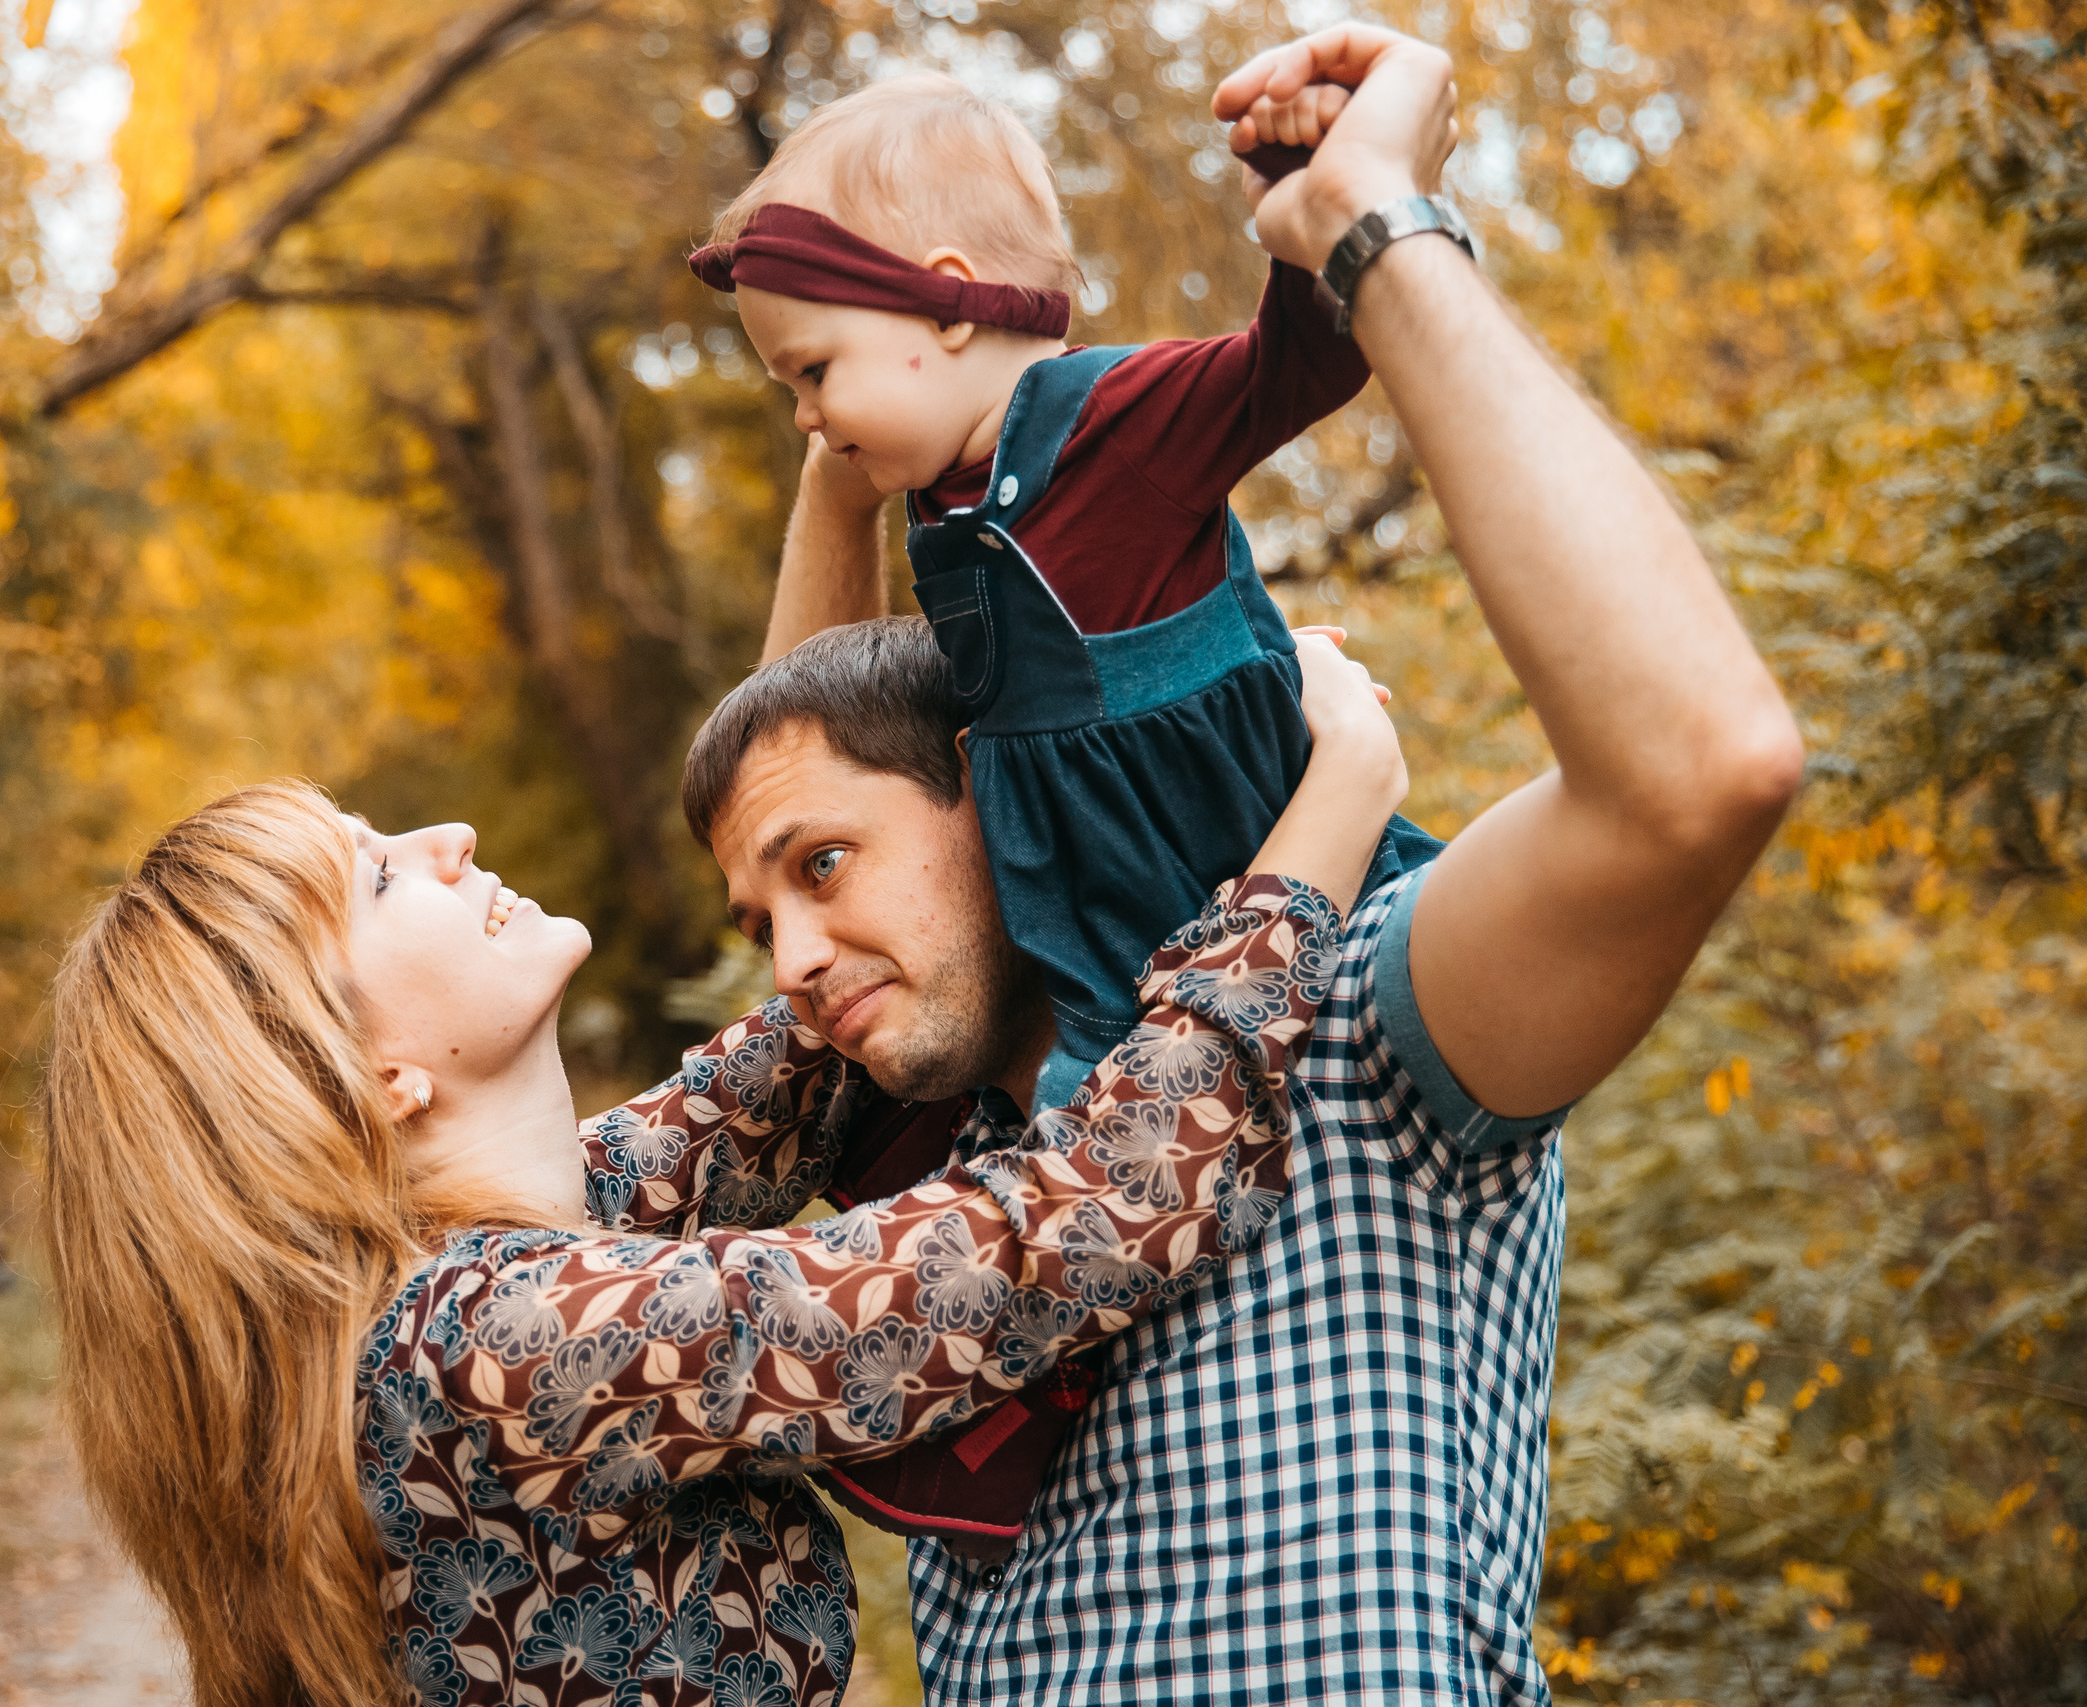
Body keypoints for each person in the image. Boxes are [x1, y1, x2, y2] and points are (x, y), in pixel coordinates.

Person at [680, 22, 1806, 1705]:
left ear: (977, 787)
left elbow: (1703, 772)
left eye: (827, 864)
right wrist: (845, 439)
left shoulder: (1354, 1028)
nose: (791, 958)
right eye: (763, 913)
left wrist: (1367, 225)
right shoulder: (949, 1171)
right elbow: (799, 750)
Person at [37, 638, 1410, 1706]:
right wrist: (1330, 811)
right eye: (384, 878)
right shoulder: (494, 1343)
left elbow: (828, 987)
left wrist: (872, 470)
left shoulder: (490, 1255)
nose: (444, 838)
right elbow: (1082, 1223)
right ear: (369, 1075)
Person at [689, 71, 1439, 1116]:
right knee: (1091, 1126)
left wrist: (1308, 219)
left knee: (1381, 1011)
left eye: (813, 372)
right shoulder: (942, 501)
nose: (807, 417)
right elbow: (814, 737)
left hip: (1232, 837)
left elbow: (1295, 368)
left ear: (946, 305)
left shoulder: (1116, 419)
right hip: (1084, 919)